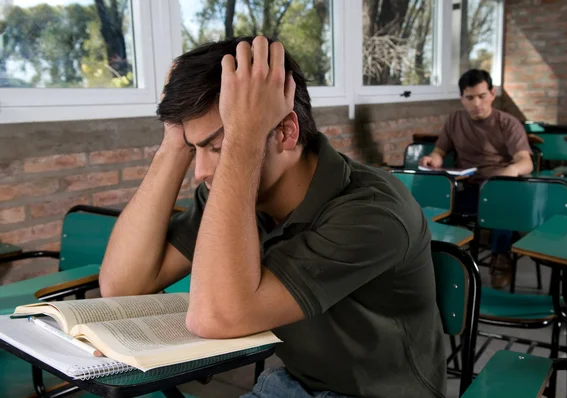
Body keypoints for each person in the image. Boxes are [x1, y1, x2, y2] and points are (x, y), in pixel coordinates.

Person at [99, 36, 446, 398]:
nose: (200, 171)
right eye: (194, 147)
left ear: (285, 131)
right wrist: (174, 141)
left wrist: (243, 140)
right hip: (294, 386)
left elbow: (216, 317)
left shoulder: (372, 211)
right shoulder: (237, 193)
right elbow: (123, 287)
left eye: (217, 147)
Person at [419, 69, 533, 289]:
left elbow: (525, 162)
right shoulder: (454, 120)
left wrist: (509, 171)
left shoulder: (507, 123)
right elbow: (440, 151)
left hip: (499, 187)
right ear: (462, 98)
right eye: (470, 98)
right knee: (436, 201)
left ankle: (500, 258)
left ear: (492, 93)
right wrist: (433, 159)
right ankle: (441, 256)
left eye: (482, 96)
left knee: (502, 201)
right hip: (468, 185)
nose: (476, 103)